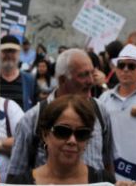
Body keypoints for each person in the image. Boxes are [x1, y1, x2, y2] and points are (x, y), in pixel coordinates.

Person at [7, 48, 115, 183]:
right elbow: (16, 175)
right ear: (63, 80)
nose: (90, 81)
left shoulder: (100, 110)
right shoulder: (33, 118)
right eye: (62, 132)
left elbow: (108, 162)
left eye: (82, 134)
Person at [7, 95, 136, 185]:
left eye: (81, 133)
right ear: (45, 134)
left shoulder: (104, 182)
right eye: (63, 131)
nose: (72, 140)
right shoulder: (22, 183)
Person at [97, 43, 136, 116]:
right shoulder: (104, 98)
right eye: (121, 65)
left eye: (131, 66)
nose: (125, 70)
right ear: (116, 69)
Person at [0, 35, 38, 112]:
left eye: (12, 51)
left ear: (19, 53)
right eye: (5, 51)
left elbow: (34, 110)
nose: (9, 55)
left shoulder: (29, 80)